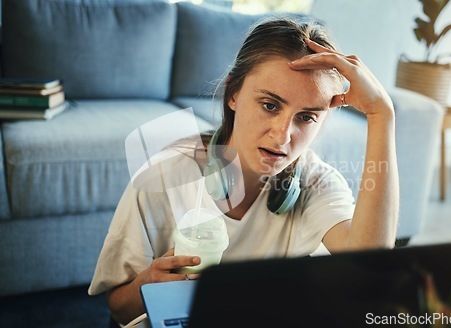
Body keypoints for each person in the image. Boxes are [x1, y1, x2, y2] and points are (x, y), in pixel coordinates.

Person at [88, 16, 399, 326]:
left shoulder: (315, 182)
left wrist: (381, 114)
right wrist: (149, 286)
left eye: (306, 117)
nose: (282, 136)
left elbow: (368, 267)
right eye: (270, 105)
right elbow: (118, 309)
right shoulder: (161, 177)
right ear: (233, 94)